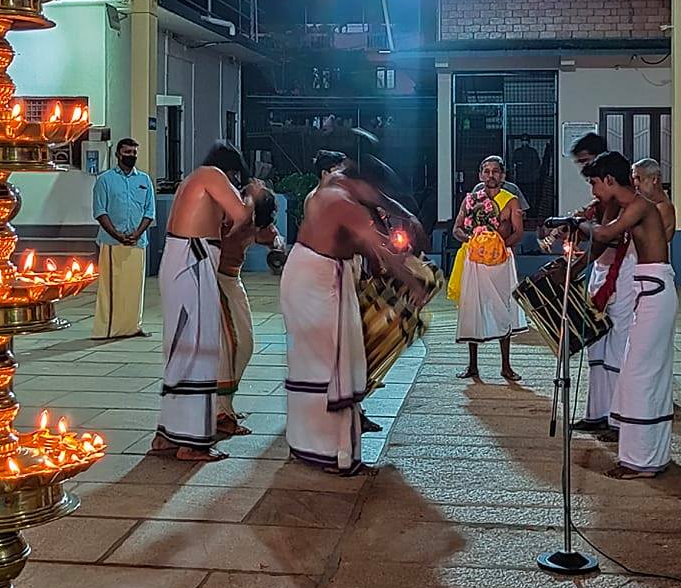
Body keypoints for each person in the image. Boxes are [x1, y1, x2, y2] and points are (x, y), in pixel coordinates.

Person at [282, 159, 422, 475]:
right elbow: (379, 251)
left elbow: (376, 205)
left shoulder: (336, 183)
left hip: (320, 274)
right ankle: (329, 452)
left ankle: (315, 446)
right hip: (315, 280)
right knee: (327, 364)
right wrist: (415, 285)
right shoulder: (342, 202)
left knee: (326, 361)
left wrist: (406, 214)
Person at [573, 151, 676, 478]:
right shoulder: (627, 207)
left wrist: (576, 222)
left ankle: (642, 461)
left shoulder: (641, 206)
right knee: (640, 373)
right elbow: (605, 239)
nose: (593, 191)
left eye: (594, 183)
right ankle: (643, 458)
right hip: (649, 290)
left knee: (639, 375)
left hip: (655, 291)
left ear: (608, 180)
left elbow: (603, 235)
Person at [152, 141, 253, 463]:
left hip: (183, 258)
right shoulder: (212, 175)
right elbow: (241, 215)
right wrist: (255, 196)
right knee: (200, 349)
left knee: (183, 349)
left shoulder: (194, 179)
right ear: (232, 170)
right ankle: (192, 443)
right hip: (193, 261)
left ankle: (167, 435)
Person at [561, 133, 637, 437]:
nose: (585, 178)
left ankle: (619, 419)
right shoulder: (605, 200)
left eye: (587, 168)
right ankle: (596, 414)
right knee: (596, 348)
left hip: (624, 276)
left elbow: (608, 236)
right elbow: (597, 242)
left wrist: (581, 225)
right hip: (601, 273)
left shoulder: (628, 200)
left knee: (617, 349)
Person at [215, 181, 283, 438]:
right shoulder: (229, 210)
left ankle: (225, 403)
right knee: (231, 344)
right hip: (215, 278)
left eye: (260, 187)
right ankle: (220, 412)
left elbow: (272, 238)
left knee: (245, 344)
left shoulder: (253, 219)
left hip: (233, 280)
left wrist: (276, 244)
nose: (256, 182)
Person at [451, 156, 525, 381]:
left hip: (501, 262)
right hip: (474, 260)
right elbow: (456, 230)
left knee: (504, 308)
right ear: (480, 175)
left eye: (495, 171)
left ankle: (506, 366)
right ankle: (472, 366)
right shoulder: (471, 200)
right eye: (486, 171)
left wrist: (499, 247)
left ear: (503, 175)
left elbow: (518, 232)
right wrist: (473, 240)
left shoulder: (511, 201)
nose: (491, 175)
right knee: (472, 309)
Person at [92, 137, 155, 340]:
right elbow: (100, 211)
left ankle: (133, 326)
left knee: (134, 288)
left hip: (138, 243)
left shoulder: (144, 180)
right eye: (127, 152)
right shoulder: (105, 180)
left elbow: (149, 212)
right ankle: (107, 329)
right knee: (112, 288)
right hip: (112, 243)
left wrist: (137, 234)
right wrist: (117, 235)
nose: (131, 156)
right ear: (118, 154)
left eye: (134, 153)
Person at [632, 159, 676, 241]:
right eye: (634, 178)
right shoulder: (648, 203)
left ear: (654, 179)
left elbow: (648, 239)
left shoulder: (662, 207)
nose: (636, 183)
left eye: (639, 178)